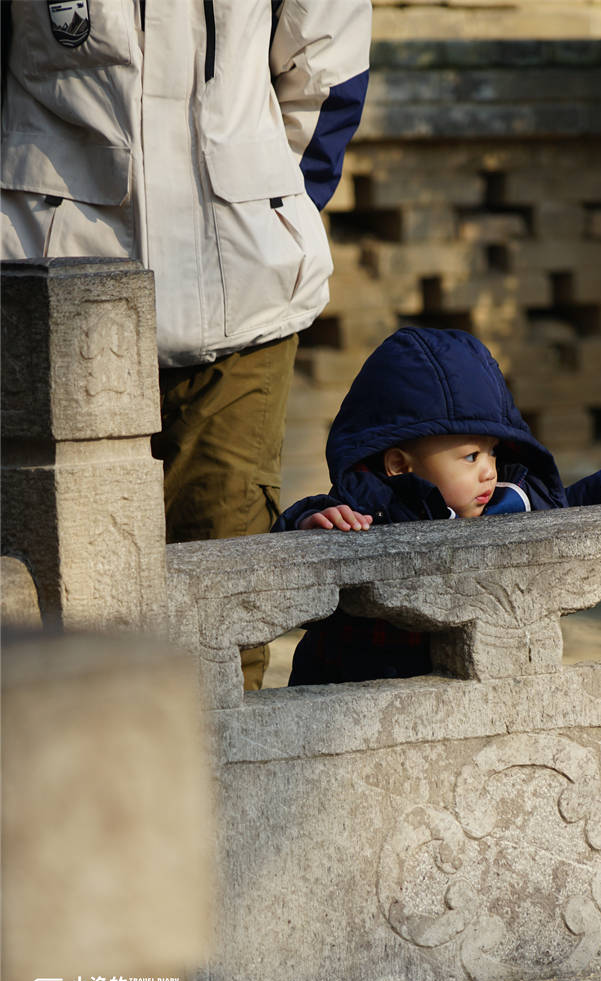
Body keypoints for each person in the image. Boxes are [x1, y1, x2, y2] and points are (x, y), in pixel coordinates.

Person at [0, 0, 371, 685]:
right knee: (57, 589)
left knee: (223, 595)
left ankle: (216, 785)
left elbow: (326, 64)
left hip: (242, 300)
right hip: (50, 279)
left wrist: (271, 205)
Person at [272, 326, 601, 685]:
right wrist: (312, 525)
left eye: (492, 452)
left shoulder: (511, 500)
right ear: (399, 464)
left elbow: (571, 508)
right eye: (471, 457)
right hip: (361, 696)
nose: (489, 470)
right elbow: (289, 546)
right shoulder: (368, 513)